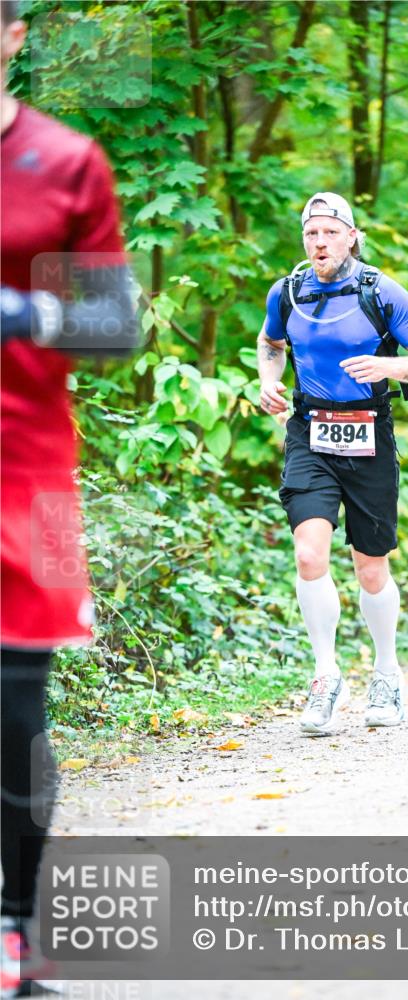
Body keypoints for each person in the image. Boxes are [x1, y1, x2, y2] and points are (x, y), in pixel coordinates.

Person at [0, 4, 138, 995]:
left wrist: (27, 310)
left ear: (13, 33)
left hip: (30, 471)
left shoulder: (65, 161)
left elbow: (114, 321)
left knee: (15, 710)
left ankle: (14, 926)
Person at [257, 192, 408, 736]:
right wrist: (269, 382)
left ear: (352, 237)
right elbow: (270, 342)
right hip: (310, 431)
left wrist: (388, 367)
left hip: (369, 434)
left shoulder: (380, 291)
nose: (320, 243)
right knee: (308, 555)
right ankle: (325, 676)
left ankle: (386, 674)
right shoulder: (288, 292)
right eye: (311, 233)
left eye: (330, 233)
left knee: (370, 568)